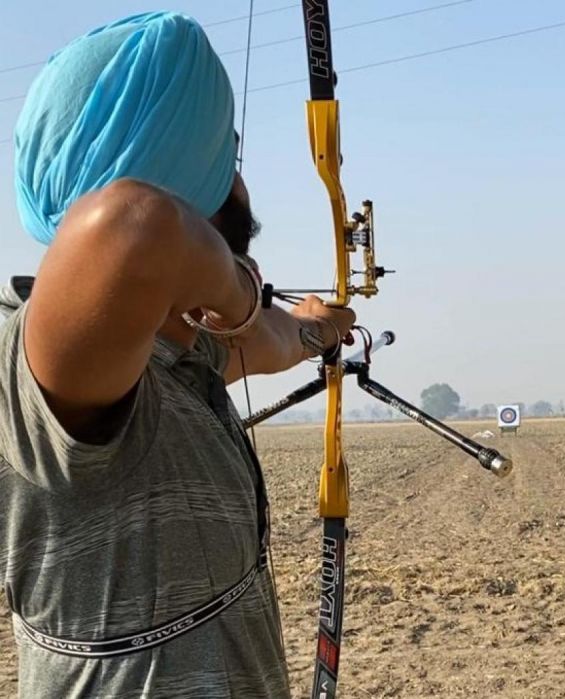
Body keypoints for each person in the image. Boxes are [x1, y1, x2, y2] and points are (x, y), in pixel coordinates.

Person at [0, 11, 355, 698]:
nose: (242, 180)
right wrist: (238, 294)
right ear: (188, 181)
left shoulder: (177, 360)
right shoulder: (44, 368)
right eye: (227, 154)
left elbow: (273, 341)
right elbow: (135, 227)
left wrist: (319, 326)